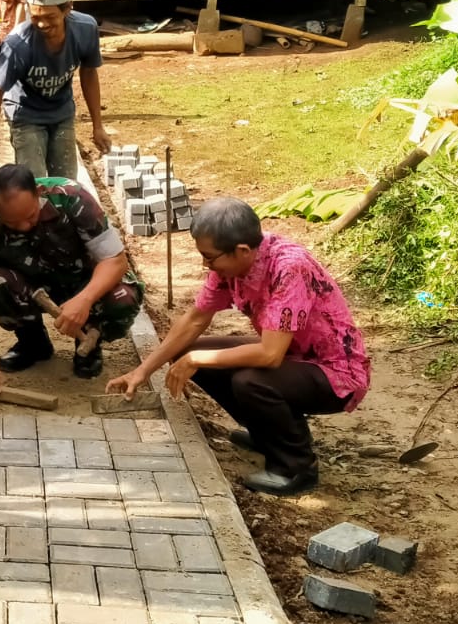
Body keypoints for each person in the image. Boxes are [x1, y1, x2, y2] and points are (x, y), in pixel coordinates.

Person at [107, 197, 370, 496]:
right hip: (292, 355)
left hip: (334, 372)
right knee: (189, 351)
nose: (206, 265)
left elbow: (269, 355)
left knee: (250, 381)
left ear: (242, 250)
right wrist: (143, 371)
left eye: (210, 258)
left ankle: (296, 467)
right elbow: (195, 319)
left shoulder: (289, 268)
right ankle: (266, 434)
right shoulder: (231, 266)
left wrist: (198, 359)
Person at [0, 165, 144, 382]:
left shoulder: (72, 198)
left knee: (123, 297)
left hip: (84, 283)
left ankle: (89, 343)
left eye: (30, 216)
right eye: (12, 223)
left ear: (39, 192)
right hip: (32, 288)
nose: (24, 227)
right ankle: (33, 343)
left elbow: (116, 261)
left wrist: (84, 300)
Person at [0, 0, 111, 188]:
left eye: (50, 17)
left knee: (66, 185)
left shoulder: (85, 29)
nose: (42, 24)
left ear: (68, 9)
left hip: (62, 113)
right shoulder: (18, 44)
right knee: (35, 185)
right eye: (35, 17)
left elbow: (89, 73)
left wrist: (98, 126)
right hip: (25, 115)